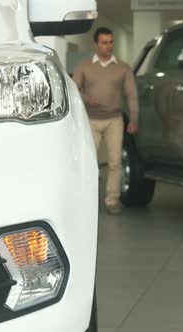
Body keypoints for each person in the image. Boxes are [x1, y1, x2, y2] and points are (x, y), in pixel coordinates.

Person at [73, 27, 139, 215]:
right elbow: (73, 89)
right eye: (104, 42)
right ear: (96, 44)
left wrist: (134, 118)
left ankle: (112, 200)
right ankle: (86, 201)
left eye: (111, 42)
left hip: (114, 120)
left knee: (115, 162)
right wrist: (86, 99)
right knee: (89, 164)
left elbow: (132, 94)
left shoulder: (122, 68)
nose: (108, 46)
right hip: (91, 121)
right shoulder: (84, 67)